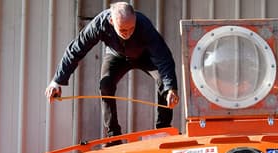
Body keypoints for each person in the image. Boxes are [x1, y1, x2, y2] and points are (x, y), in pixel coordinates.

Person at [45, 2, 179, 139]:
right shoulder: (100, 23)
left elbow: (163, 57)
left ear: (135, 20)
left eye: (132, 29)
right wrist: (57, 81)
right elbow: (76, 50)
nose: (128, 34)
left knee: (164, 81)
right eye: (123, 30)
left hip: (145, 55)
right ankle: (113, 135)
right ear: (111, 21)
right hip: (116, 55)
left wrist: (171, 88)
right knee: (105, 85)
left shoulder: (144, 25)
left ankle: (163, 129)